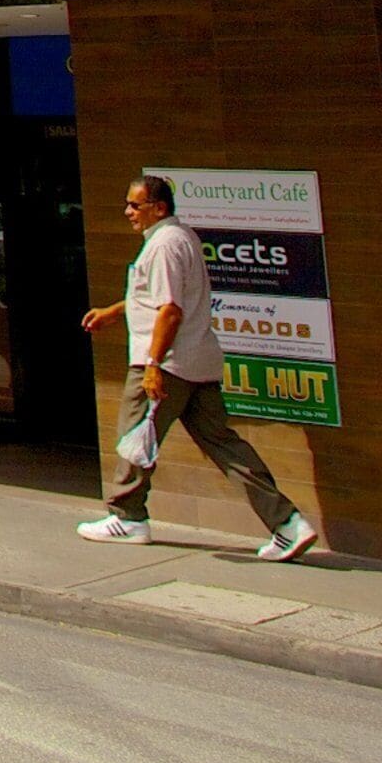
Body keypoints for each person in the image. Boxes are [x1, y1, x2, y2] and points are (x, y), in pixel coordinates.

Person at [80, 174, 321, 560]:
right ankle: (288, 523)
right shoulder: (182, 238)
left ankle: (127, 518)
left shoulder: (163, 245)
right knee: (224, 445)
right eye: (127, 204)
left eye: (134, 205)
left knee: (134, 437)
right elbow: (160, 300)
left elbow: (170, 312)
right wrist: (115, 312)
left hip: (166, 363)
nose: (128, 212)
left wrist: (154, 364)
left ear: (159, 208)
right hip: (198, 362)